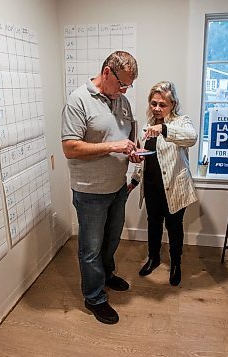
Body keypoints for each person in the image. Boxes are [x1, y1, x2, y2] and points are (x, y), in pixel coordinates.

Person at [61, 51, 142, 325]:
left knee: (111, 240)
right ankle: (94, 296)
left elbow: (126, 137)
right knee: (91, 248)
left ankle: (106, 275)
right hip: (90, 191)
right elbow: (70, 148)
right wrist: (113, 146)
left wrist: (132, 151)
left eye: (128, 85)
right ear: (107, 72)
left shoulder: (123, 101)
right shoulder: (78, 100)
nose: (124, 90)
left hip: (117, 186)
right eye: (122, 84)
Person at [128, 81, 198, 286]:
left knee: (175, 227)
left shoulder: (181, 122)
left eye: (162, 104)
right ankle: (153, 258)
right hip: (151, 186)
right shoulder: (145, 126)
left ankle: (176, 264)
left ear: (172, 104)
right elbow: (145, 156)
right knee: (153, 224)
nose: (157, 108)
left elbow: (191, 138)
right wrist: (134, 180)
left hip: (175, 186)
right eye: (153, 103)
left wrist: (164, 128)